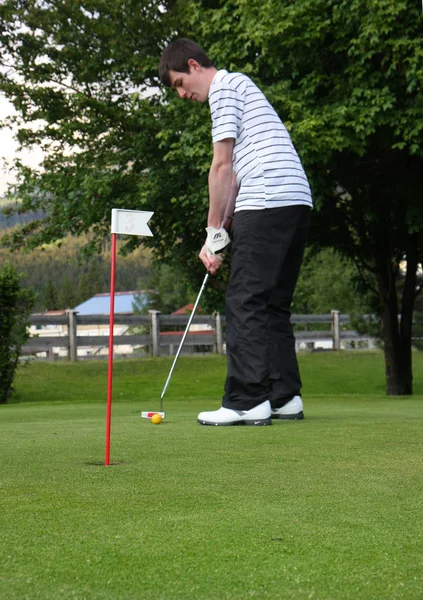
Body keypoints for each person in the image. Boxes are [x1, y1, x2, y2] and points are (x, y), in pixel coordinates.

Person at [159, 39, 313, 426]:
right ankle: (284, 397)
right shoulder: (244, 87)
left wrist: (212, 229)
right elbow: (236, 185)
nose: (181, 94)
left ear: (194, 66)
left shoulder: (223, 89)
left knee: (244, 300)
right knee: (272, 303)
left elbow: (222, 168)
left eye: (179, 83)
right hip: (294, 199)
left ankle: (246, 400)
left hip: (267, 197)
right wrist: (222, 230)